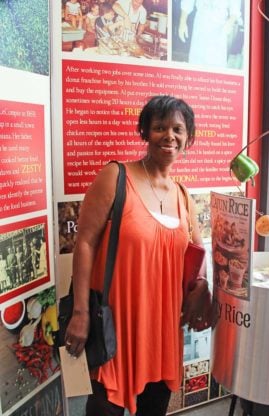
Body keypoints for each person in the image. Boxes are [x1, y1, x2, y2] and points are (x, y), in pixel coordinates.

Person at [64, 95, 212, 415]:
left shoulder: (184, 196)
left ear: (189, 138)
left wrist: (201, 285)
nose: (169, 136)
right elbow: (85, 243)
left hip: (162, 330)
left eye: (177, 129)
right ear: (145, 132)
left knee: (154, 409)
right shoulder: (116, 177)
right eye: (159, 127)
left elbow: (195, 254)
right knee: (105, 409)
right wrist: (80, 312)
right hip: (117, 326)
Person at [176, 0, 243, 68]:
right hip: (200, 25)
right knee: (195, 64)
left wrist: (231, 21)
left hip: (220, 28)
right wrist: (182, 21)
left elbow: (235, 6)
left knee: (216, 67)